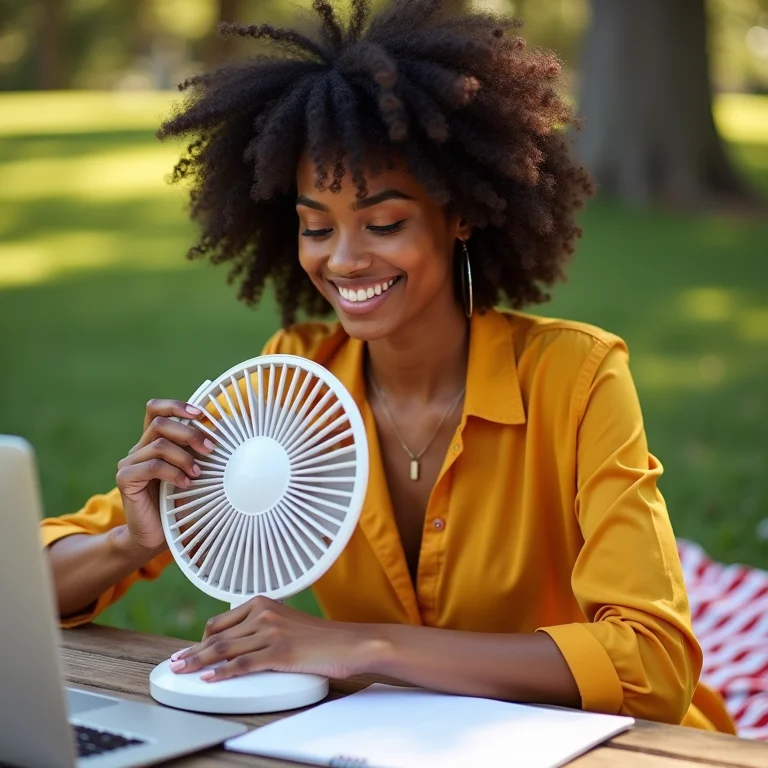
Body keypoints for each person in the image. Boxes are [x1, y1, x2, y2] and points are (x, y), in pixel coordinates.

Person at [41, 0, 736, 733]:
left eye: (384, 223)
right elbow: (23, 594)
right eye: (316, 227)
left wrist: (361, 646)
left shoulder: (578, 377)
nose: (343, 260)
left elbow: (652, 664)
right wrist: (134, 540)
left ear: (458, 213)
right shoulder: (290, 387)